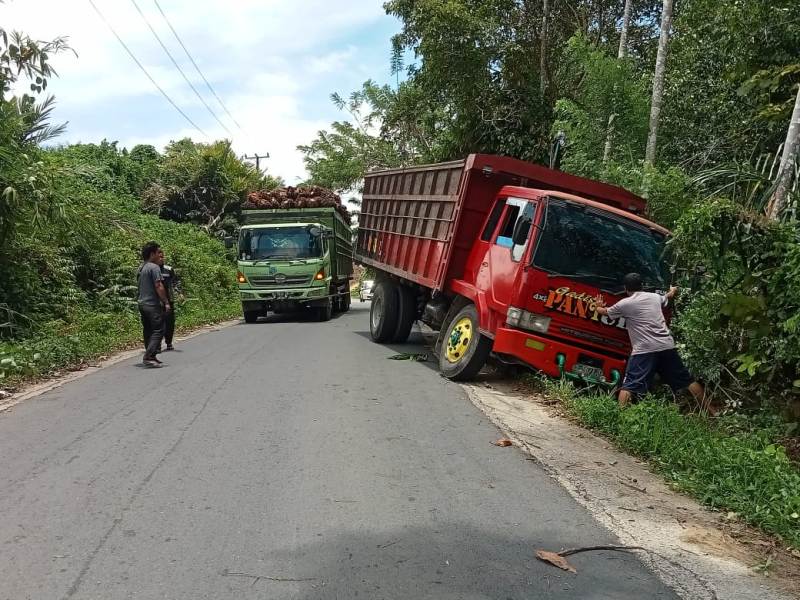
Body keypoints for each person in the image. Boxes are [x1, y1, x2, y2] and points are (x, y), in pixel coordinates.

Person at [594, 273, 709, 411]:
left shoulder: (625, 303)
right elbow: (668, 297)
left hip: (644, 349)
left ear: (625, 288)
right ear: (642, 286)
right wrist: (672, 290)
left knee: (629, 384)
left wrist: (597, 306)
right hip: (666, 345)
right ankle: (711, 411)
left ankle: (620, 416)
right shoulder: (654, 297)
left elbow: (605, 312)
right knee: (687, 380)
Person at [137, 242, 171, 367]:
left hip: (142, 303)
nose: (160, 255)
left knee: (148, 330)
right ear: (152, 254)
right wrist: (166, 302)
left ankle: (151, 355)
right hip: (152, 304)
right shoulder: (154, 267)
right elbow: (158, 285)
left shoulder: (142, 267)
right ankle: (149, 356)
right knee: (159, 329)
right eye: (158, 253)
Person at [159, 257, 181, 351]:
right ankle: (157, 345)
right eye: (159, 256)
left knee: (170, 322)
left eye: (162, 256)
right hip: (157, 300)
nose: (161, 258)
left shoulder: (169, 269)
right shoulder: (152, 270)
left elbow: (175, 282)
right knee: (158, 323)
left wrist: (179, 292)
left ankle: (169, 342)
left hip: (169, 299)